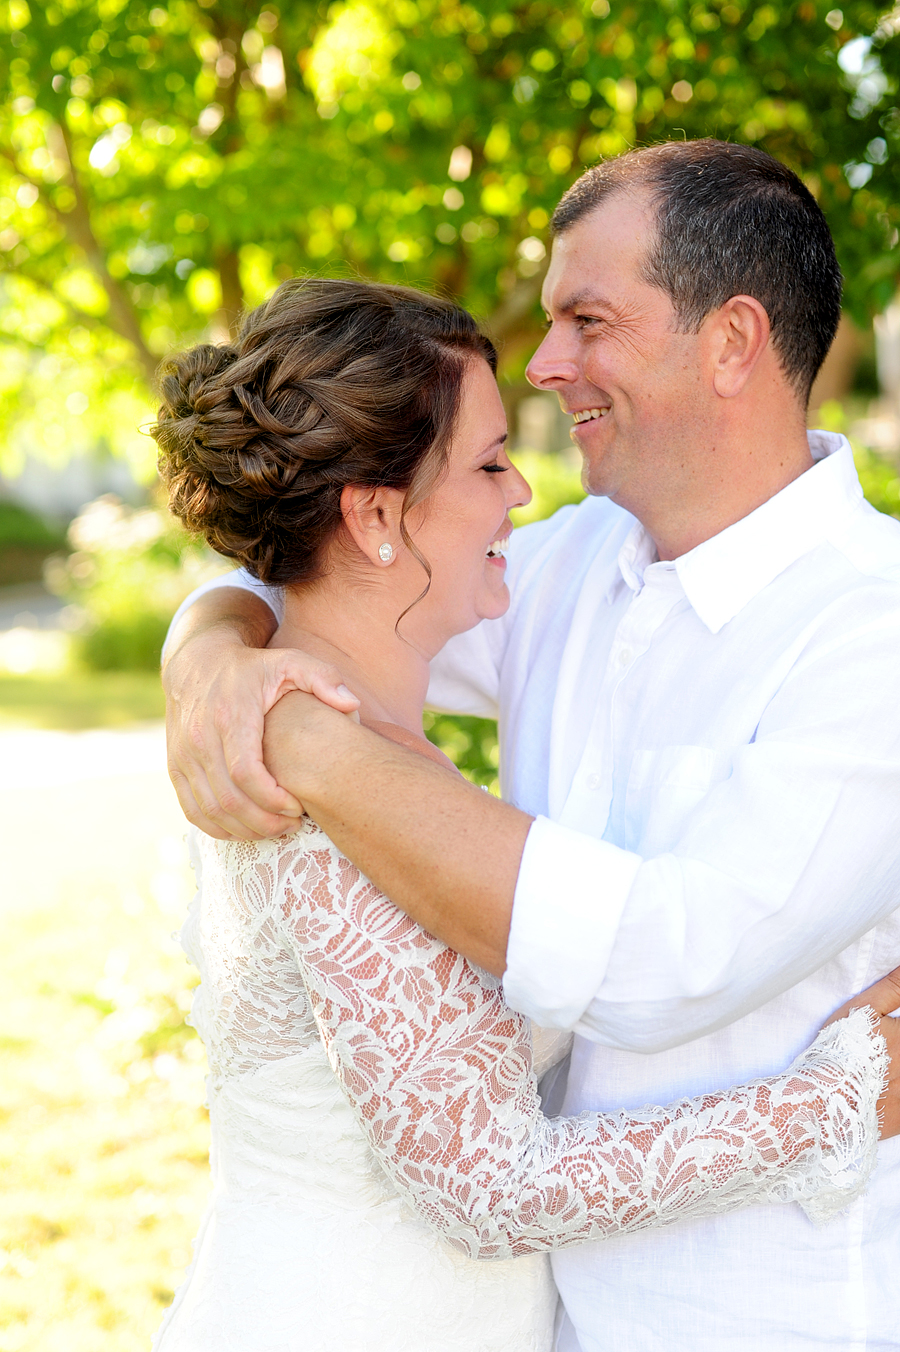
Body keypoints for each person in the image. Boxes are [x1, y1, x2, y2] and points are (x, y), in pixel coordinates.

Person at [163, 142, 900, 1351]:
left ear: (731, 341)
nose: (550, 365)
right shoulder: (558, 570)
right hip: (531, 1314)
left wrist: (302, 740)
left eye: (587, 319)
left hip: (766, 1317)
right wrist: (213, 653)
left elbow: (667, 959)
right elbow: (318, 572)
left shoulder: (873, 629)